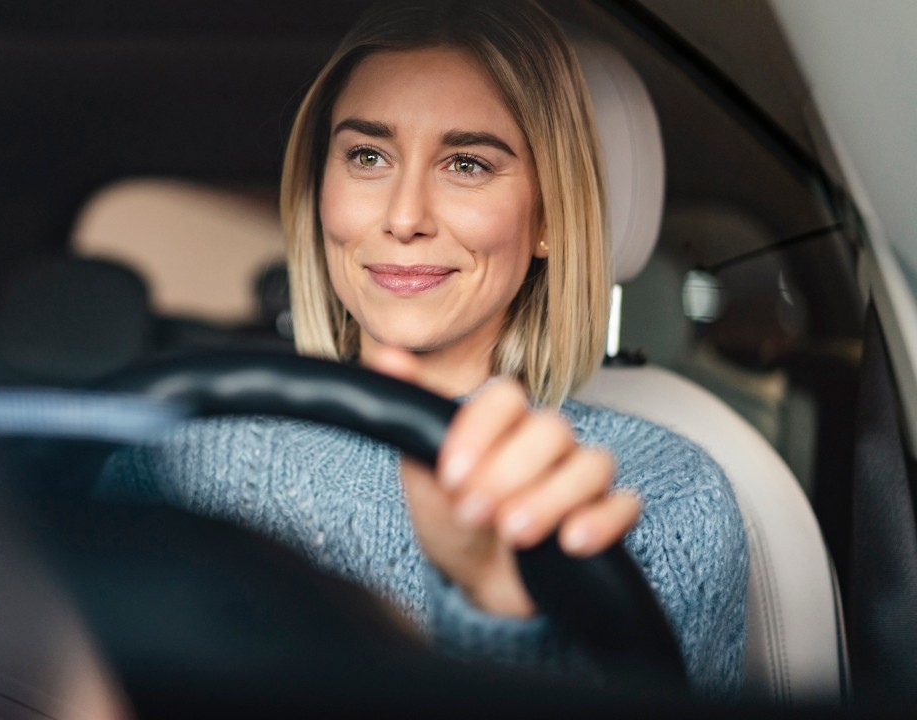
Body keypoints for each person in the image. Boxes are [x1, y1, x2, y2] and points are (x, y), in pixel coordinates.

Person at [98, 0, 747, 697]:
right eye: (367, 156)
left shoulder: (666, 499)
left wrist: (499, 613)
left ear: (550, 219)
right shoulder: (176, 455)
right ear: (321, 192)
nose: (404, 217)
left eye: (466, 164)